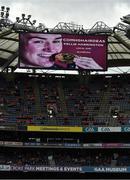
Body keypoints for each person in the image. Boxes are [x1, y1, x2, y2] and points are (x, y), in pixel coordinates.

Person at [20, 33, 103, 70]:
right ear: (21, 43)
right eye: (39, 41)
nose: (51, 49)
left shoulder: (64, 67)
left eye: (56, 41)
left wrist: (99, 71)